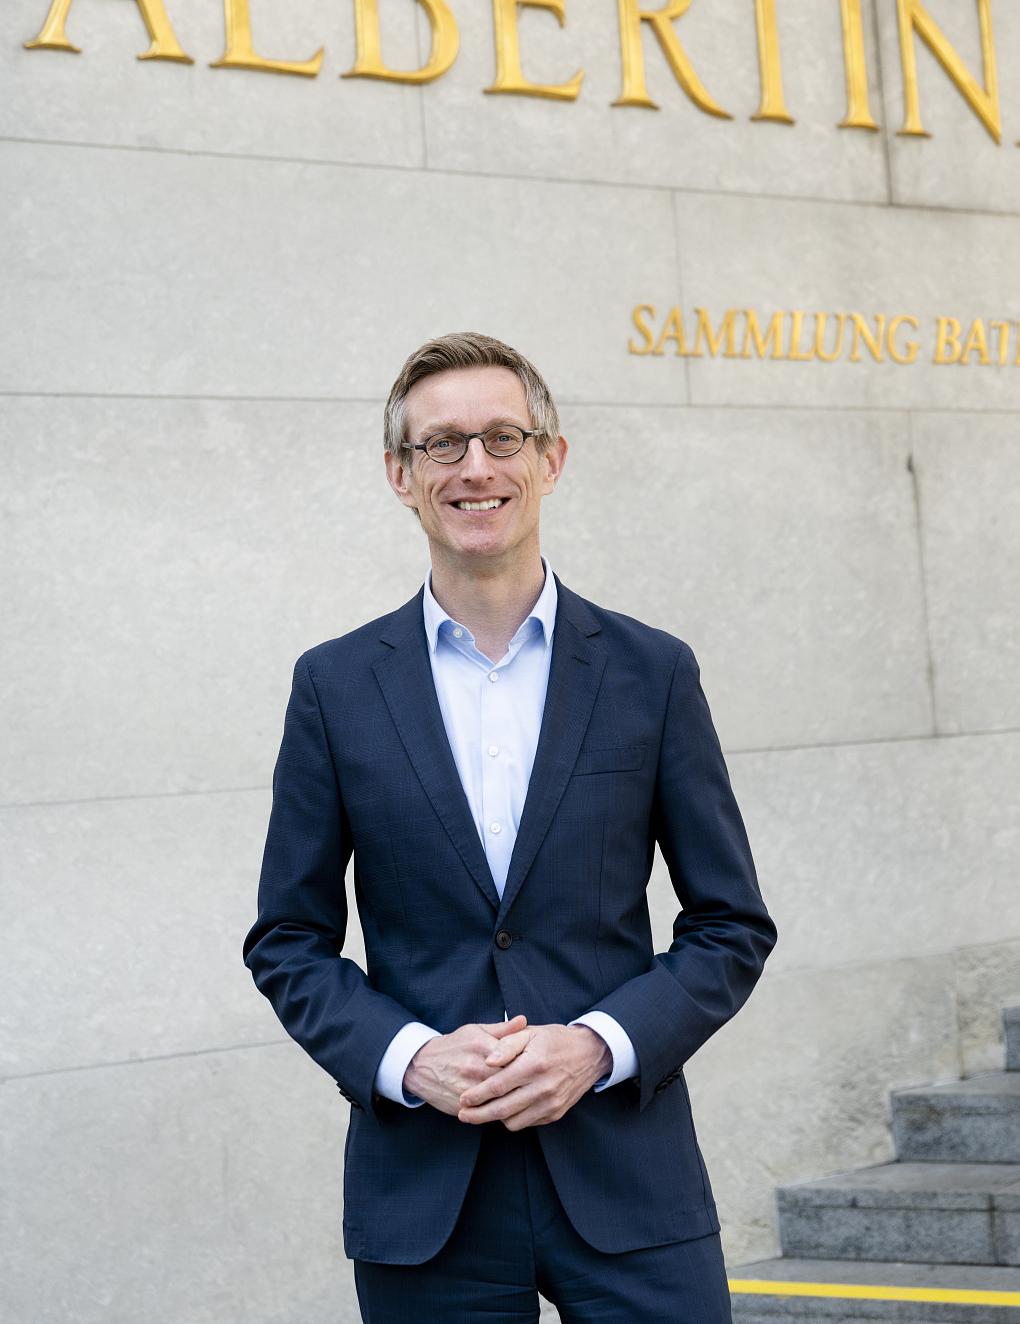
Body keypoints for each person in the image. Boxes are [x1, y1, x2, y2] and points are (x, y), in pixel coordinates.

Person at [244, 331, 776, 1323]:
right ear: (400, 477)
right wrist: (408, 1057)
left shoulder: (651, 673)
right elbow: (288, 941)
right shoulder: (335, 687)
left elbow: (730, 924)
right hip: (427, 1197)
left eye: (503, 437)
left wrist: (598, 1044)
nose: (476, 467)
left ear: (551, 459)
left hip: (628, 1183)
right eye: (442, 445)